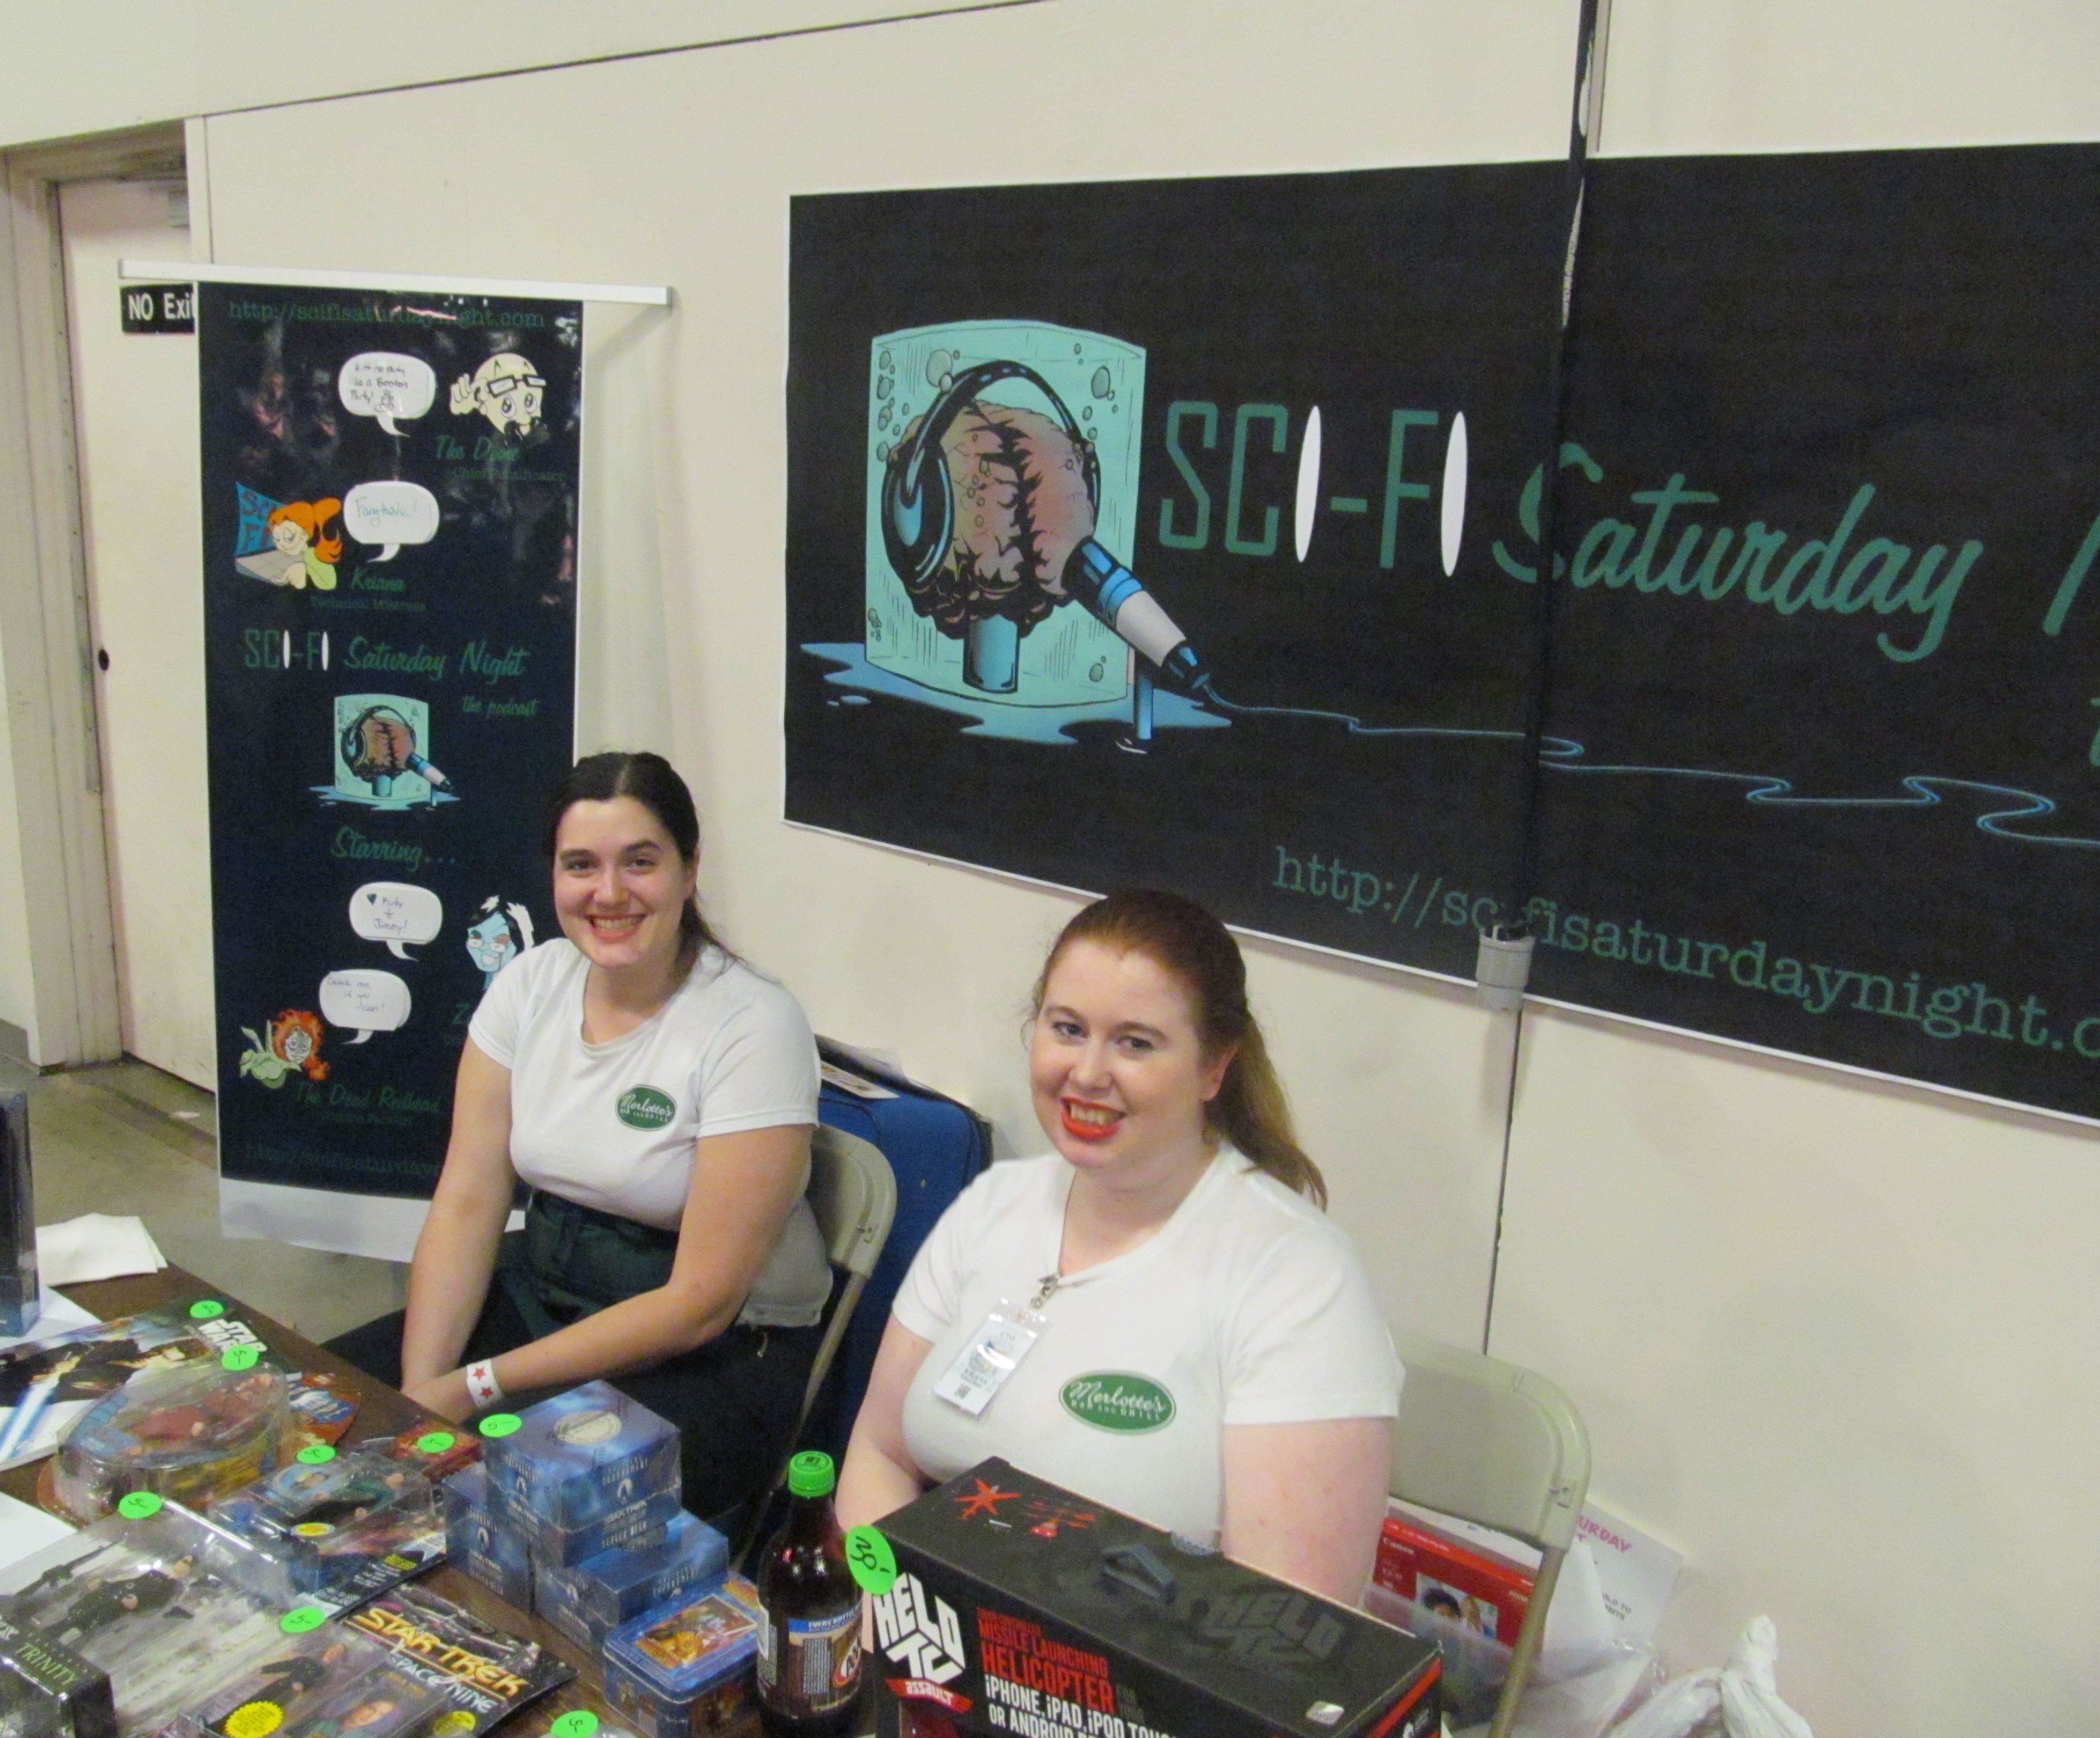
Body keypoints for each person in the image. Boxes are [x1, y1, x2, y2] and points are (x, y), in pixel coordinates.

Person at [837, 888, 1398, 1603]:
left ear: (1215, 1067)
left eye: (1135, 1043)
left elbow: (1284, 1623)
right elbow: (879, 1455)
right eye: (1068, 1029)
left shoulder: (1299, 1280)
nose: (1087, 1073)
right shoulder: (991, 1208)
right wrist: (893, 1613)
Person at [327, 751, 829, 1530]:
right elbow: (468, 1202)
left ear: (690, 871)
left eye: (641, 862)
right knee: (329, 1418)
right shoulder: (530, 984)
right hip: (546, 1293)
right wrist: (420, 1394)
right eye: (581, 865)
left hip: (708, 1356)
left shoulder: (755, 1025)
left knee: (505, 1517)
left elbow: (698, 1305)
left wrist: (474, 1387)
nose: (610, 893)